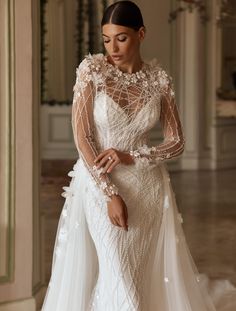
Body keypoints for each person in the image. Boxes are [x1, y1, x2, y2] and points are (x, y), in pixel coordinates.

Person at [41, 1, 236, 310]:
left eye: (121, 37)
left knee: (139, 275)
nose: (112, 47)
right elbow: (83, 138)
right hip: (99, 185)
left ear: (141, 34)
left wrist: (132, 156)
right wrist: (109, 193)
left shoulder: (159, 80)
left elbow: (177, 142)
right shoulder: (91, 71)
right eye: (106, 39)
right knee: (117, 273)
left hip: (147, 189)